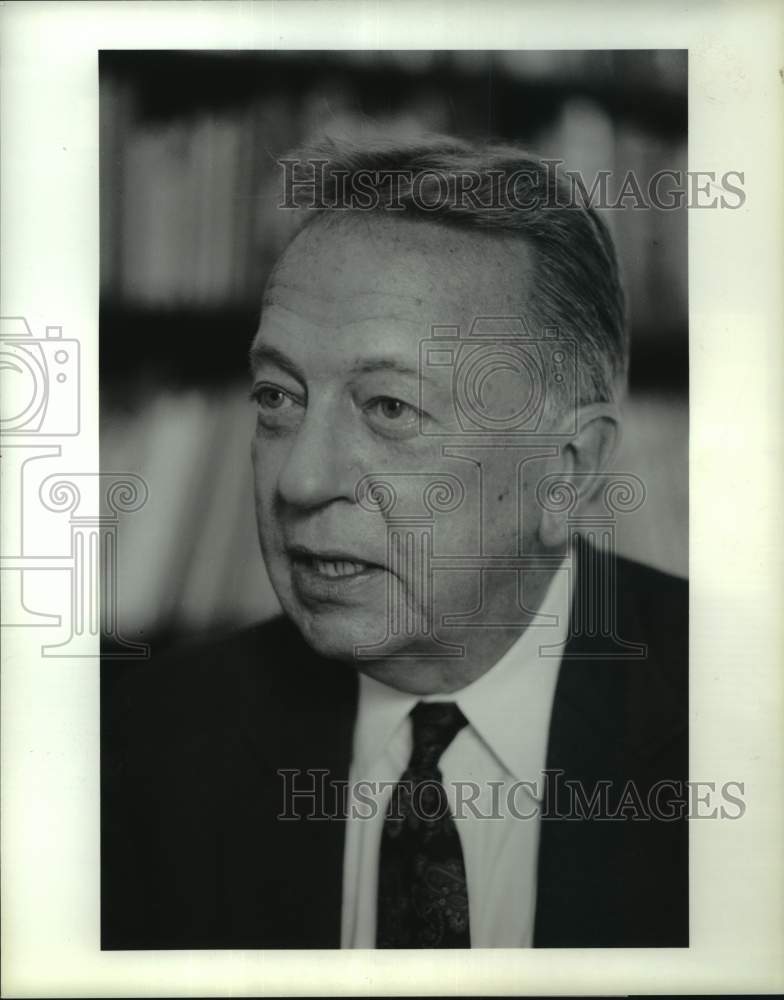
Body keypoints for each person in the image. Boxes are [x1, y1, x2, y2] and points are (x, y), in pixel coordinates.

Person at [101, 136, 688, 950]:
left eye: (388, 409)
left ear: (567, 473)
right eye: (277, 397)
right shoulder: (136, 754)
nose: (301, 481)